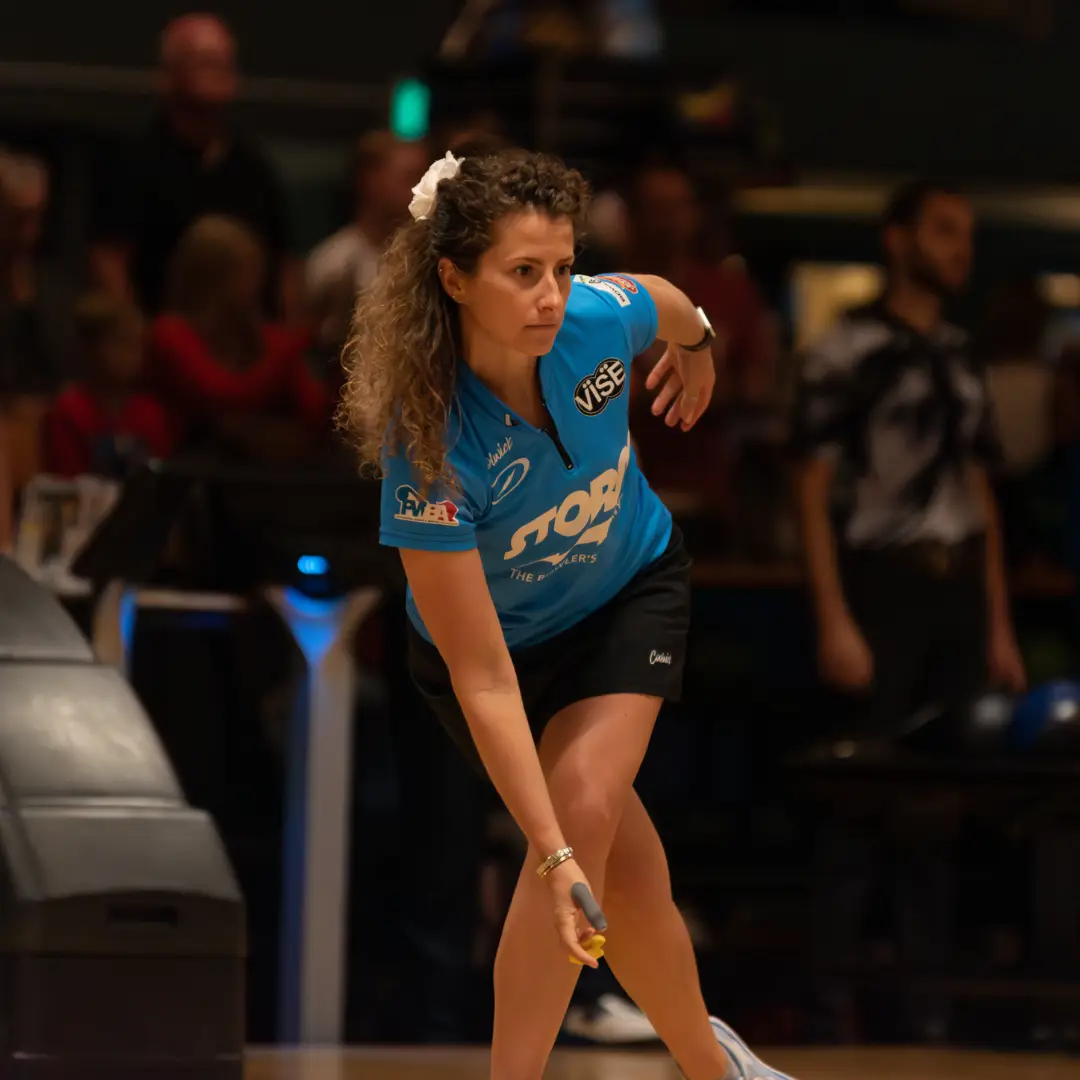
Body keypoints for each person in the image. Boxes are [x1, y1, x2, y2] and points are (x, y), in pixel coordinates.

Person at [339, 147, 794, 1080]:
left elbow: (664, 296)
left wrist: (699, 345)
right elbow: (480, 673)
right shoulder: (427, 445)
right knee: (615, 876)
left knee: (584, 817)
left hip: (628, 592)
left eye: (561, 267)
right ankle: (720, 1069)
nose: (551, 295)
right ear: (455, 279)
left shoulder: (590, 317)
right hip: (497, 663)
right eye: (522, 273)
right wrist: (547, 859)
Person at [790, 179, 1026, 1042]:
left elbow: (982, 491)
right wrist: (833, 616)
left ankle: (927, 1005)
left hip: (957, 584)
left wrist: (999, 623)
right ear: (898, 239)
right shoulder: (844, 348)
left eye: (967, 232)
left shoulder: (964, 354)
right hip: (877, 579)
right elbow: (810, 486)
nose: (961, 247)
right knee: (859, 796)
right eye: (944, 230)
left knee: (941, 804)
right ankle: (827, 1007)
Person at [44, 292, 172, 479]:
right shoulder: (70, 410)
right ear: (89, 349)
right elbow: (67, 480)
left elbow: (160, 473)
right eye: (121, 344)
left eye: (137, 346)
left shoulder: (148, 411)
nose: (131, 356)